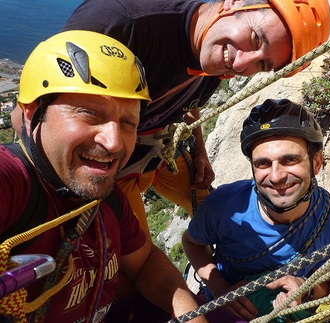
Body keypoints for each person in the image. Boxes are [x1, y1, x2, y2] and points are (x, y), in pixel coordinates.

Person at [0, 30, 234, 323]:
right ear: (33, 112)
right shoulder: (12, 180)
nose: (114, 142)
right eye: (89, 114)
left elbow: (146, 262)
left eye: (127, 123)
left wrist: (193, 317)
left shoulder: (107, 198)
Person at [61, 0, 330, 245]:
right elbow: (46, 110)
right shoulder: (122, 22)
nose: (241, 64)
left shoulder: (215, 55)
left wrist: (200, 150)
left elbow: (191, 103)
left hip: (156, 150)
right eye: (254, 37)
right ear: (234, 3)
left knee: (215, 208)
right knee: (132, 251)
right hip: (112, 163)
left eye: (261, 64)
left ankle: (262, 254)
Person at [182, 99, 330, 322]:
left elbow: (324, 279)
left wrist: (306, 289)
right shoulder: (224, 207)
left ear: (316, 162)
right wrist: (219, 288)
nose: (276, 176)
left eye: (290, 159)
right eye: (263, 164)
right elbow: (192, 243)